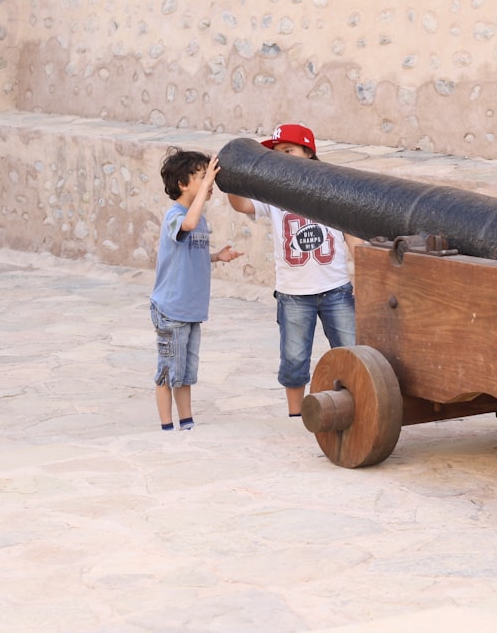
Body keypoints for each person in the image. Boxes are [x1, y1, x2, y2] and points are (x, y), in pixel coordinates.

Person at [226, 124, 362, 417]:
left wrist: (365, 269)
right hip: (294, 294)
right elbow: (241, 205)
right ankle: (295, 414)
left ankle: (359, 404)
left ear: (308, 152)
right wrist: (230, 179)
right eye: (277, 154)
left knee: (352, 350)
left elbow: (351, 233)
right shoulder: (273, 195)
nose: (282, 158)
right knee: (294, 357)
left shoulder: (333, 188)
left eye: (288, 151)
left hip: (335, 287)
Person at [150, 147, 243, 431]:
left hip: (191, 311)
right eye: (203, 177)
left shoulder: (199, 219)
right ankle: (167, 427)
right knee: (169, 371)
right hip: (171, 309)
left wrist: (218, 257)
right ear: (182, 183)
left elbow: (191, 252)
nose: (210, 184)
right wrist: (204, 189)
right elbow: (186, 225)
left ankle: (187, 421)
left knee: (187, 372)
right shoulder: (176, 216)